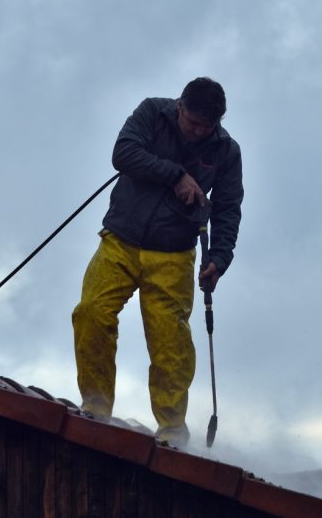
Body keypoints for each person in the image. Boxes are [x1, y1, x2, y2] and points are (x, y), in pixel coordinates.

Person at [72, 77, 244, 446]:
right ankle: (96, 409)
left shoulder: (227, 152)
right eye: (193, 122)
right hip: (120, 240)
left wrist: (219, 257)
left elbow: (228, 208)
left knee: (171, 344)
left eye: (206, 127)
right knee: (91, 312)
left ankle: (172, 433)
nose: (198, 131)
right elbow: (124, 152)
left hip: (175, 256)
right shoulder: (152, 112)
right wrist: (176, 175)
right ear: (179, 106)